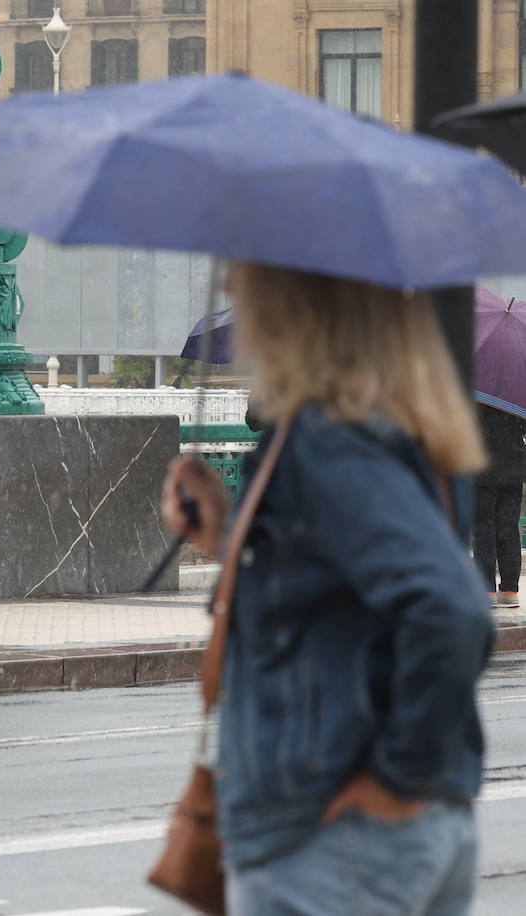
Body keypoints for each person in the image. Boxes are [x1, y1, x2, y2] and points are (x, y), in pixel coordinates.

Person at [160, 263, 494, 915]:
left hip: (330, 831)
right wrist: (229, 535)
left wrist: (397, 777)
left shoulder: (330, 439)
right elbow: (337, 592)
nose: (230, 290)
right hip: (413, 825)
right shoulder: (410, 426)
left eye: (246, 276)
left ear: (299, 300)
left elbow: (451, 608)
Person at [473, 402, 526, 609]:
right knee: (508, 526)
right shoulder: (515, 391)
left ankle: (486, 590)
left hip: (482, 466)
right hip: (513, 466)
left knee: (483, 527)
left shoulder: (476, 391)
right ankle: (510, 590)